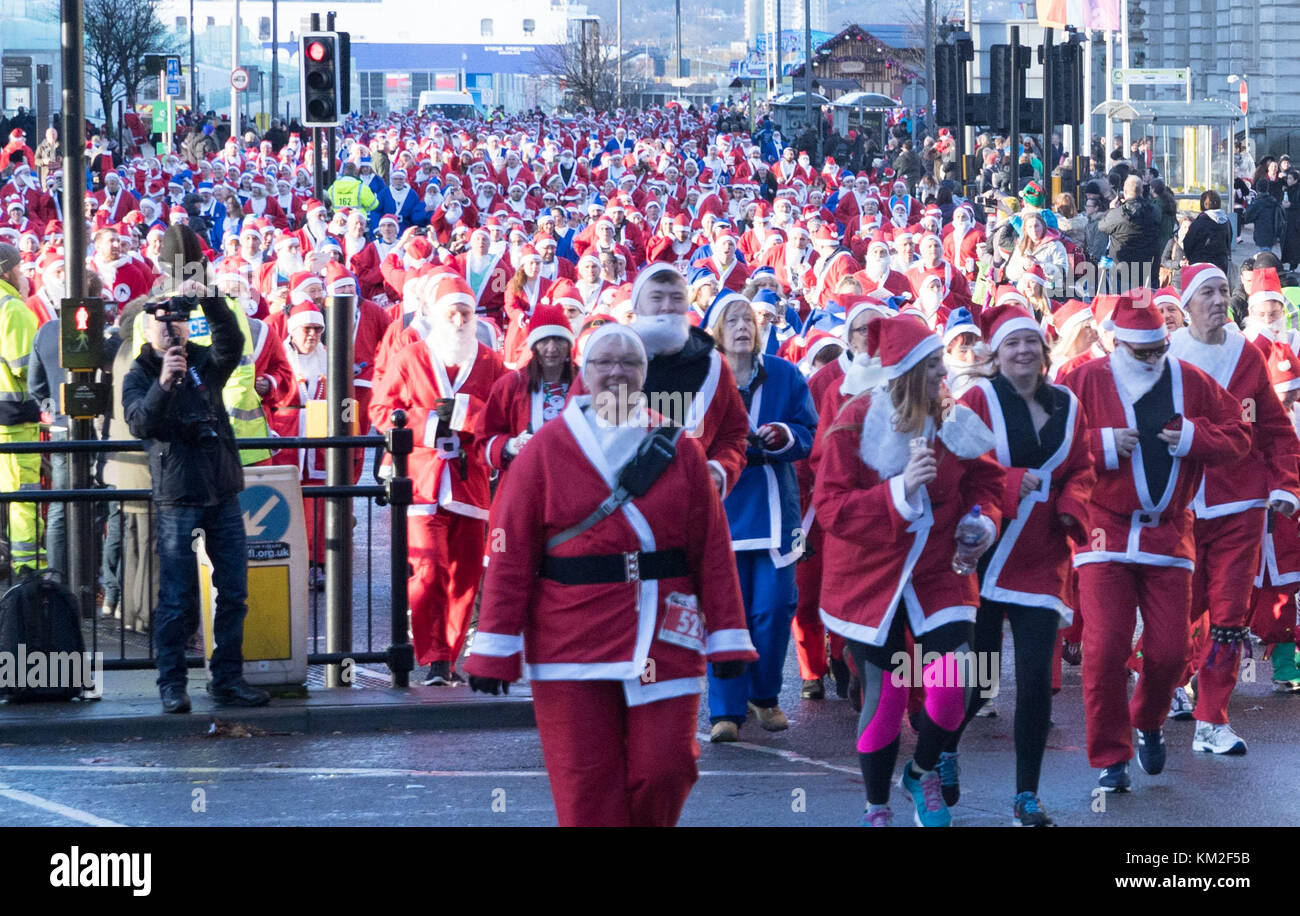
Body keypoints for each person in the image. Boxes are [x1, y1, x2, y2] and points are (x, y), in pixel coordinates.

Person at [463, 323, 757, 827]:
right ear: (585, 371)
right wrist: (495, 646)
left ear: (645, 375)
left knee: (666, 768)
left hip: (663, 633)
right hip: (569, 637)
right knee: (585, 784)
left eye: (631, 363)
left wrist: (728, 636)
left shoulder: (680, 447)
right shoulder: (545, 450)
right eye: (605, 362)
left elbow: (711, 548)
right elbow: (511, 552)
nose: (618, 372)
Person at [813, 314, 1005, 827]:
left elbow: (988, 486)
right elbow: (830, 508)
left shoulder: (954, 419)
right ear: (902, 376)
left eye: (940, 365)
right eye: (930, 368)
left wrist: (980, 522)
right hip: (867, 575)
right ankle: (876, 808)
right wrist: (898, 492)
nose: (941, 377)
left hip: (939, 568)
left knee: (951, 687)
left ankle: (921, 772)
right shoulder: (854, 420)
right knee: (890, 692)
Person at [1063, 292, 1249, 792]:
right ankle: (1110, 757)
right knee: (1103, 651)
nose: (1152, 360)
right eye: (1141, 352)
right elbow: (1052, 445)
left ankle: (1147, 720)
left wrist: (1194, 437)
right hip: (1105, 531)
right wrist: (1100, 445)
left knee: (1167, 652)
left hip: (1169, 532)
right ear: (1117, 344)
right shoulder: (1083, 379)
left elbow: (1239, 436)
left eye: (1159, 350)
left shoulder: (1190, 381)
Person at [937, 304, 1096, 826]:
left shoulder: (1069, 404)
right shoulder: (977, 398)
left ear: (1044, 350)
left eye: (1031, 342)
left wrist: (1072, 506)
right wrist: (1007, 483)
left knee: (1033, 680)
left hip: (1041, 558)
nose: (1023, 351)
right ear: (996, 354)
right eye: (1012, 345)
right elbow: (952, 466)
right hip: (983, 555)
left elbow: (1083, 467)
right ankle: (942, 751)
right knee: (977, 679)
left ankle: (1027, 795)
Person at [120, 226, 270, 713]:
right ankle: (172, 685)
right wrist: (165, 382)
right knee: (177, 598)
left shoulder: (202, 362)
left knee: (235, 594)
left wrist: (210, 300)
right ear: (147, 330)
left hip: (221, 491)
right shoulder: (140, 373)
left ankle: (227, 680)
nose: (171, 330)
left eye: (176, 324)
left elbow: (229, 346)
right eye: (162, 324)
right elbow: (142, 421)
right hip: (178, 496)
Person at [1166, 263, 1300, 754]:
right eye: (1209, 293)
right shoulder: (1167, 357)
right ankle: (1165, 684)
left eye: (1225, 291)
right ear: (1186, 305)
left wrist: (1286, 485)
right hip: (1179, 509)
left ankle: (1213, 720)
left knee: (1228, 616)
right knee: (1179, 613)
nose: (1220, 300)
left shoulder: (1247, 356)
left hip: (1241, 506)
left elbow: (1277, 431)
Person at [370, 272, 507, 686]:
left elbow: (504, 419)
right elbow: (380, 411)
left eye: (466, 312)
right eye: (452, 312)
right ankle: (431, 657)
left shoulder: (490, 361)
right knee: (428, 570)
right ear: (436, 315)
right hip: (422, 480)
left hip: (469, 483)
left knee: (465, 577)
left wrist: (467, 415)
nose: (460, 320)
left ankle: (448, 658)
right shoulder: (409, 358)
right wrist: (427, 424)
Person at [704, 293, 817, 741]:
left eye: (748, 319)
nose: (742, 326)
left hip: (774, 507)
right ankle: (725, 710)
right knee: (726, 613)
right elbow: (683, 432)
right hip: (721, 507)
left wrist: (783, 434)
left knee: (773, 608)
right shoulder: (704, 378)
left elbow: (810, 432)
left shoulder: (786, 374)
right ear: (717, 330)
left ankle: (765, 696)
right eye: (732, 320)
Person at [478, 302, 575, 490]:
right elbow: (482, 442)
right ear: (533, 345)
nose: (552, 348)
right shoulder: (511, 385)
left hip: (572, 490)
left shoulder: (584, 385)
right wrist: (510, 445)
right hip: (525, 490)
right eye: (544, 341)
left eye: (559, 340)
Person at [0, 242, 41, 575]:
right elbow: (27, 369)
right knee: (22, 500)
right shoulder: (12, 308)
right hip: (13, 424)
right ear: (7, 270)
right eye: (21, 268)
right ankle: (29, 571)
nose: (25, 274)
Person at [1098, 176, 1160, 289]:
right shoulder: (1154, 212)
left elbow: (1102, 226)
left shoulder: (1116, 215)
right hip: (1146, 271)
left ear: (1125, 191)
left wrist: (1112, 210)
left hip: (1121, 272)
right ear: (1141, 191)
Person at [1183, 191, 1233, 278]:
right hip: (1221, 266)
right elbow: (1229, 241)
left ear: (1203, 204)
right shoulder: (1226, 221)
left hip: (1201, 266)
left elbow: (1188, 244)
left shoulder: (1199, 222)